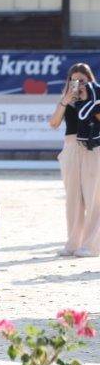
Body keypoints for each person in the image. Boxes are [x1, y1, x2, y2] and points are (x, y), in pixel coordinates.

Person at [49, 63, 100, 256]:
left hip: (93, 148)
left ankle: (91, 245)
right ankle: (73, 243)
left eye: (82, 80)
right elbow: (53, 123)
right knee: (72, 199)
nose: (78, 84)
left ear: (90, 80)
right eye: (74, 80)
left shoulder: (96, 97)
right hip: (71, 147)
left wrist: (90, 101)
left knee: (93, 197)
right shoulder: (66, 99)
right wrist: (65, 100)